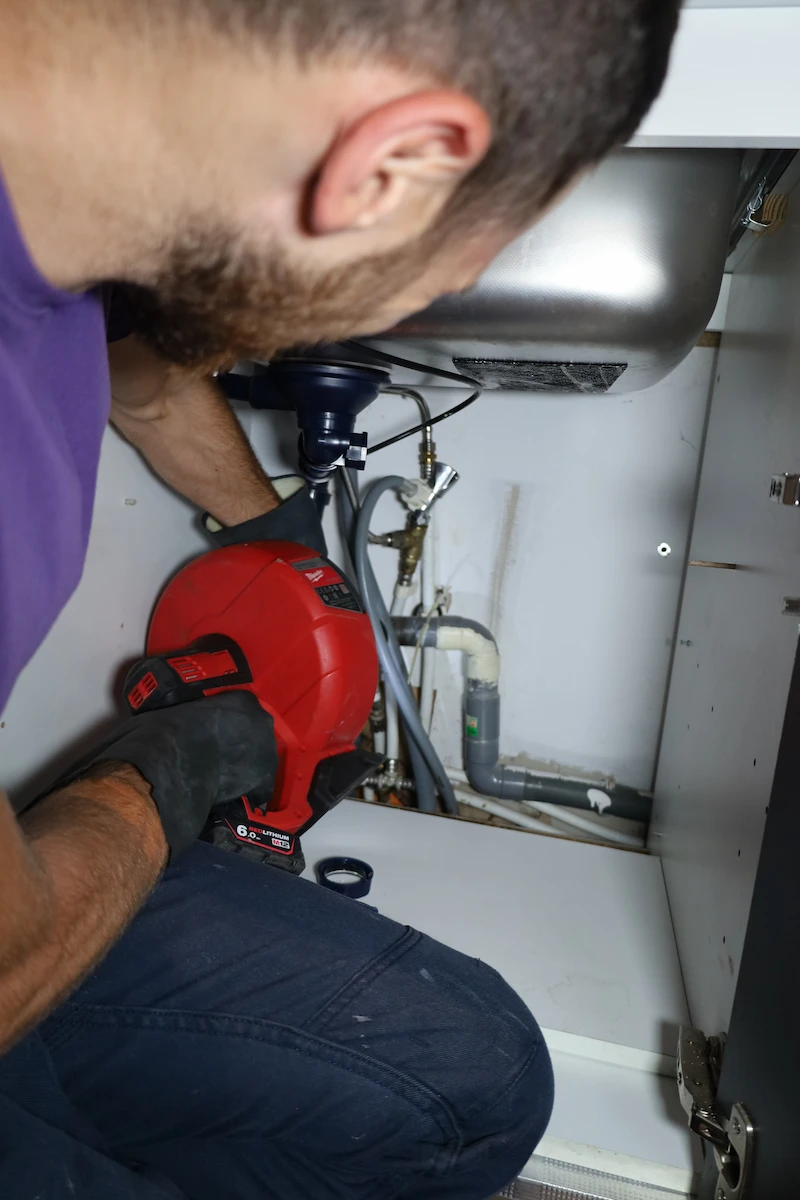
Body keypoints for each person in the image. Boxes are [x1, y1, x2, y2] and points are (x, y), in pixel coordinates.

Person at [0, 2, 680, 1196]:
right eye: (446, 272)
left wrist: (270, 529)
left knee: (474, 1078)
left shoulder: (60, 214)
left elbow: (146, 384)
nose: (398, 315)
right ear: (394, 163)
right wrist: (158, 771)